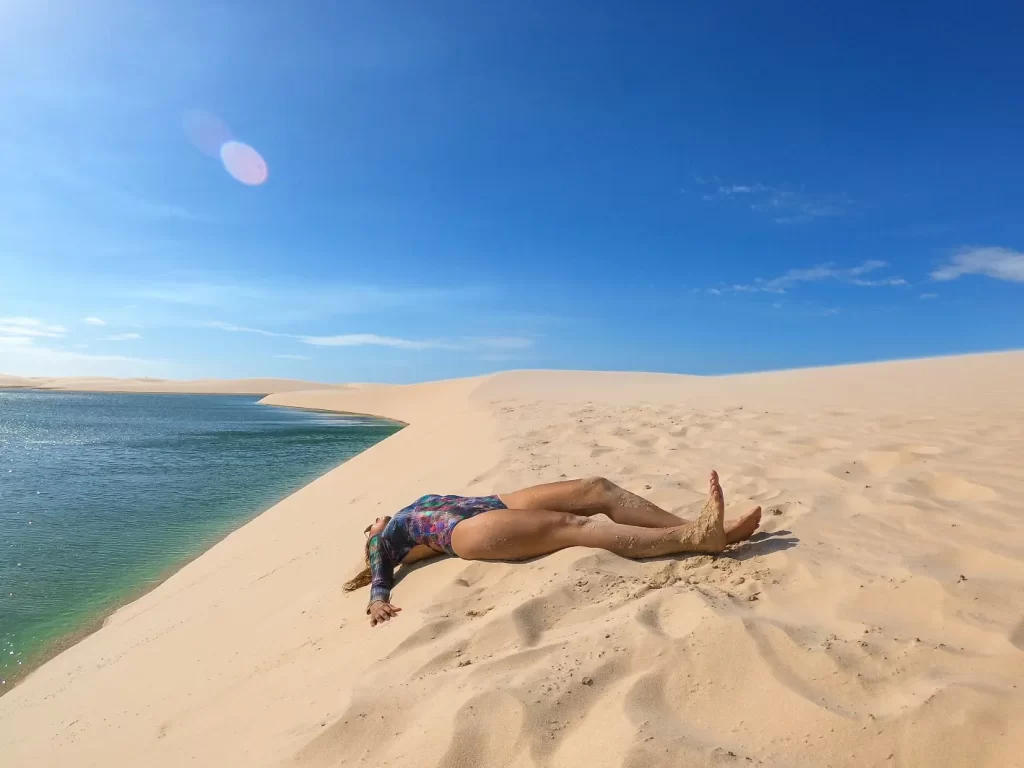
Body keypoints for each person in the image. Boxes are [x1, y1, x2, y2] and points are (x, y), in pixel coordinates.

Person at [345, 471, 762, 626]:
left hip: (494, 503)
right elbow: (381, 570)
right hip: (466, 532)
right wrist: (378, 597)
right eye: (368, 529)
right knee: (572, 526)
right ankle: (694, 539)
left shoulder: (406, 513)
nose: (372, 522)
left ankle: (706, 528)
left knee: (595, 488)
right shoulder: (386, 538)